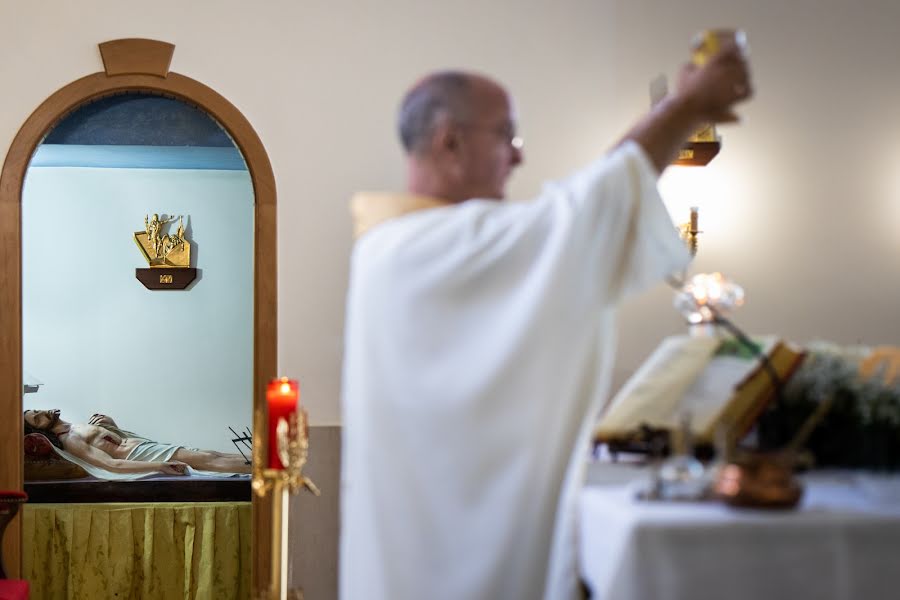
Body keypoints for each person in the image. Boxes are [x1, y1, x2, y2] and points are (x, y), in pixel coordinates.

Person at [341, 37, 752, 600]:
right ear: (450, 141)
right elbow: (583, 214)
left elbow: (580, 216)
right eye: (508, 135)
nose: (518, 155)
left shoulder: (397, 249)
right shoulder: (413, 250)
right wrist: (685, 106)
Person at [24, 409, 251, 475]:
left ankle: (263, 461)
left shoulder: (76, 426)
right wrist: (158, 466)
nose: (42, 412)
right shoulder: (71, 439)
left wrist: (112, 425)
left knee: (209, 454)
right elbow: (111, 464)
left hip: (144, 447)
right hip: (141, 456)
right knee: (209, 460)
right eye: (37, 418)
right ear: (39, 429)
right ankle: (265, 467)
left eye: (36, 410)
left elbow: (113, 440)